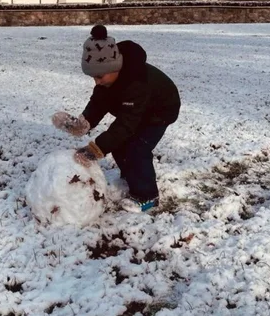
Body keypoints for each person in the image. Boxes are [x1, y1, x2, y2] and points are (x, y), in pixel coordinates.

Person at [52, 24, 181, 213]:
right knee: (119, 145)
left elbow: (125, 125)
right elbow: (98, 104)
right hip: (137, 112)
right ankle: (130, 177)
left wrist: (94, 150)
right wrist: (82, 123)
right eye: (93, 77)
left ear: (114, 67)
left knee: (137, 149)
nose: (96, 81)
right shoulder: (108, 80)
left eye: (99, 76)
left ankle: (148, 196)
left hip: (159, 112)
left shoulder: (136, 83)